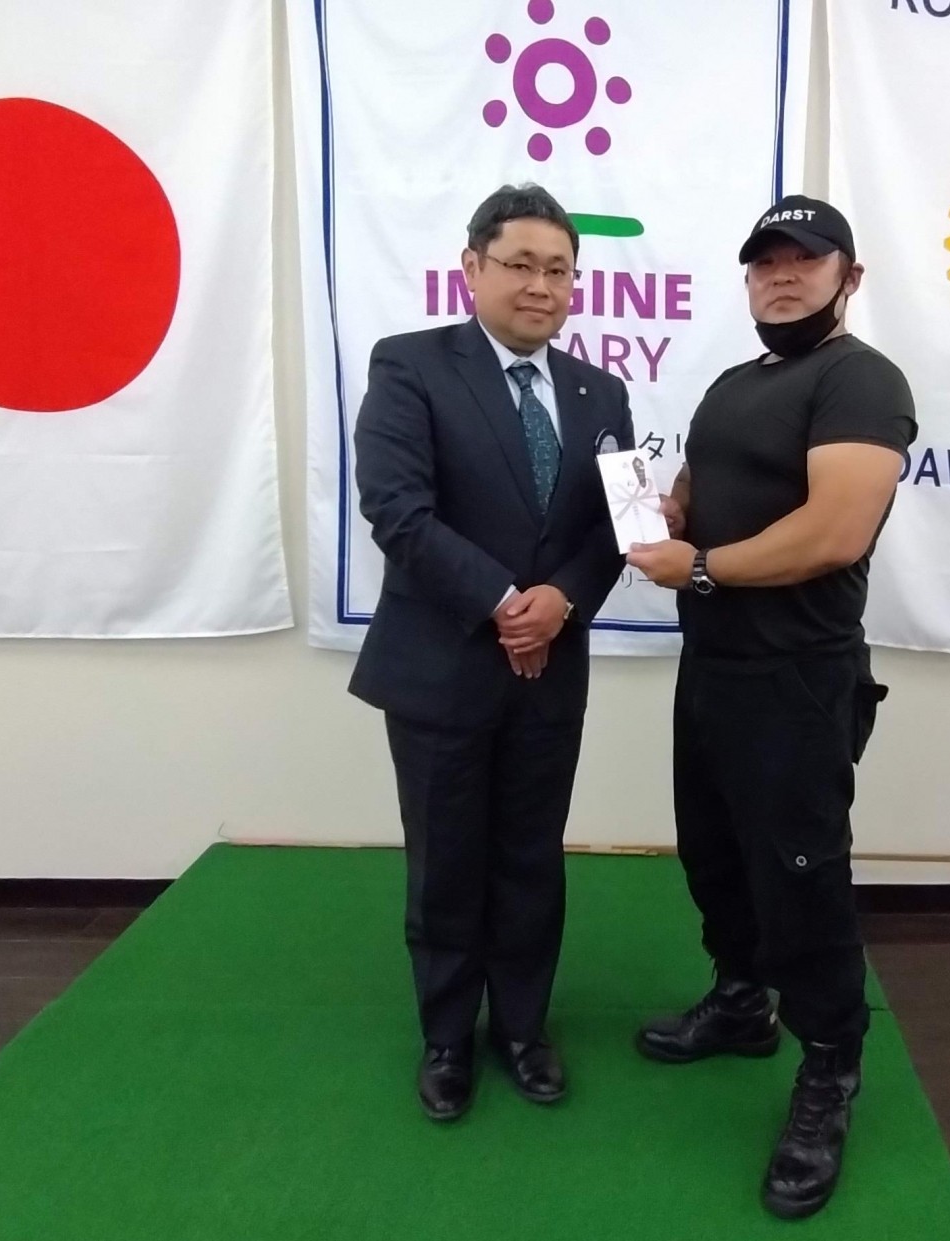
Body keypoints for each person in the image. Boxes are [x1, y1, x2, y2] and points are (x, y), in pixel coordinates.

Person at [624, 195, 914, 1219]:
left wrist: (700, 565)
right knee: (714, 851)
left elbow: (834, 531)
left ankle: (830, 1063)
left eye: (805, 259)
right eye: (765, 262)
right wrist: (670, 512)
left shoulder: (860, 381)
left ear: (849, 276)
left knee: (801, 874)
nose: (782, 275)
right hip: (714, 667)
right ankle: (743, 999)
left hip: (797, 676)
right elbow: (701, 494)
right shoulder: (734, 383)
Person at [349, 183, 634, 1123]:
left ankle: (522, 1027)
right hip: (444, 667)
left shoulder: (603, 393)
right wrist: (507, 603)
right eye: (520, 264)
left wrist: (564, 600)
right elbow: (398, 510)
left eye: (559, 270)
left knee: (530, 856)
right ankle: (445, 1037)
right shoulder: (410, 366)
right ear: (473, 267)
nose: (541, 286)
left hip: (552, 670)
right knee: (446, 862)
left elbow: (620, 527)